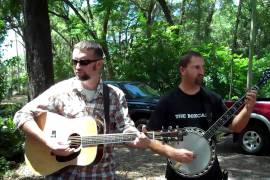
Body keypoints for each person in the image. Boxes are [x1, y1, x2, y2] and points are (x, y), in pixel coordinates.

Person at [14, 40, 193, 179]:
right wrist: (48, 141)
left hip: (102, 174)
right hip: (63, 175)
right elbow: (21, 115)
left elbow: (125, 128)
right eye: (74, 61)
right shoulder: (60, 91)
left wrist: (137, 140)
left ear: (99, 64)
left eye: (83, 62)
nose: (77, 66)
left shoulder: (114, 95)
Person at [146, 50, 257, 180]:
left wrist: (248, 109)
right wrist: (173, 153)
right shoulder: (167, 101)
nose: (202, 71)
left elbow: (236, 127)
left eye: (203, 67)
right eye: (196, 67)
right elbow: (150, 137)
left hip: (210, 172)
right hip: (178, 172)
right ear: (182, 70)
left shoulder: (212, 99)